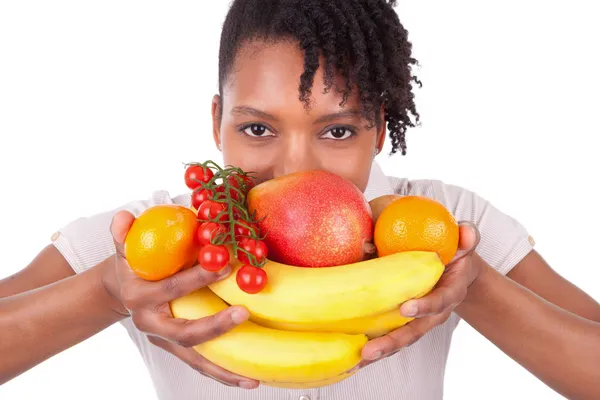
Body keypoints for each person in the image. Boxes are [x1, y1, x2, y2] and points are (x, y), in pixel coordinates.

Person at [1, 0, 599, 399]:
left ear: (380, 129)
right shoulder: (155, 238)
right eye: (258, 129)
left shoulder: (438, 226)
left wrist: (477, 287)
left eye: (338, 131)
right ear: (218, 123)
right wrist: (105, 293)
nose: (295, 169)